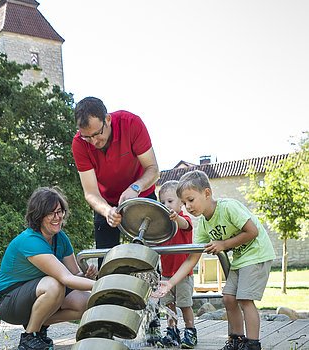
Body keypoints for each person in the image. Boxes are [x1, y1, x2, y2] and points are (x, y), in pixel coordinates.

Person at [71, 96, 161, 344]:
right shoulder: (80, 144)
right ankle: (106, 329)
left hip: (141, 194)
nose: (94, 142)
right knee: (106, 265)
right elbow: (90, 192)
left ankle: (153, 326)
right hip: (106, 204)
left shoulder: (132, 123)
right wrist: (106, 210)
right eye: (87, 137)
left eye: (97, 134)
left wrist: (135, 187)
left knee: (147, 263)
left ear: (108, 120)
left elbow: (153, 169)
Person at [153, 170, 276, 350]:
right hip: (241, 259)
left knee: (245, 299)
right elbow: (192, 258)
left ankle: (252, 344)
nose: (188, 206)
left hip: (257, 254)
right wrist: (170, 283)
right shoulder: (204, 224)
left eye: (191, 200)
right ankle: (236, 340)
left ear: (207, 193)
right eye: (185, 203)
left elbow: (252, 232)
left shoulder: (228, 207)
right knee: (228, 298)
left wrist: (224, 244)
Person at [0, 187, 97, 350]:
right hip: (7, 302)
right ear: (39, 216)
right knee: (54, 284)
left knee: (86, 302)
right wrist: (105, 286)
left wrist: (87, 277)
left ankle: (39, 325)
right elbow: (66, 279)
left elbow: (75, 275)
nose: (58, 217)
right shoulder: (30, 240)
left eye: (60, 211)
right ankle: (29, 338)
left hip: (33, 296)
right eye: (51, 213)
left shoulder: (60, 238)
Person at [157, 180, 197, 349]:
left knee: (185, 304)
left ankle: (190, 331)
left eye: (170, 201)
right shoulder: (162, 226)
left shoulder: (184, 219)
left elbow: (185, 225)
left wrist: (176, 217)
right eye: (163, 202)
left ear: (181, 202)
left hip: (183, 274)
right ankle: (172, 331)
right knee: (168, 306)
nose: (166, 205)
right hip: (166, 274)